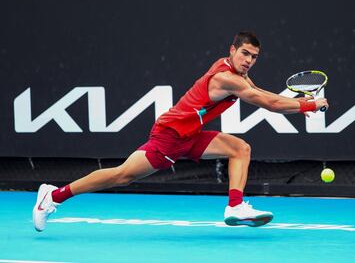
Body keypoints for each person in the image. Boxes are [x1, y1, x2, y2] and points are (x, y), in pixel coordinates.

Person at [33, 32, 329, 231]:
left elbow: (262, 93)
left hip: (190, 135)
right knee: (122, 175)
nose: (249, 60)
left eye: (254, 56)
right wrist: (309, 105)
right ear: (232, 50)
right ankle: (54, 196)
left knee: (240, 149)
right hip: (170, 136)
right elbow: (269, 103)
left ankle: (235, 206)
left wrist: (303, 102)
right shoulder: (228, 78)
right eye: (245, 54)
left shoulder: (237, 73)